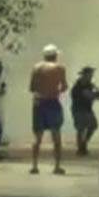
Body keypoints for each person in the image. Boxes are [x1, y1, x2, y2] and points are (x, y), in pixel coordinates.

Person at [29, 44, 68, 175]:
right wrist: (56, 90)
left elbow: (32, 88)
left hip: (39, 103)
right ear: (55, 56)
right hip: (53, 102)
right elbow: (64, 87)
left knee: (37, 137)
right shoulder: (60, 68)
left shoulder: (36, 68)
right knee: (56, 135)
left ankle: (34, 166)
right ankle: (57, 166)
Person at [70, 66, 99, 156]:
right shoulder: (79, 85)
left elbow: (96, 91)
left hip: (86, 109)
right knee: (81, 129)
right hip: (79, 109)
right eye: (90, 74)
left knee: (92, 126)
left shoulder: (89, 84)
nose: (92, 76)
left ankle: (83, 145)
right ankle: (81, 148)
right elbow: (92, 95)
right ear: (85, 75)